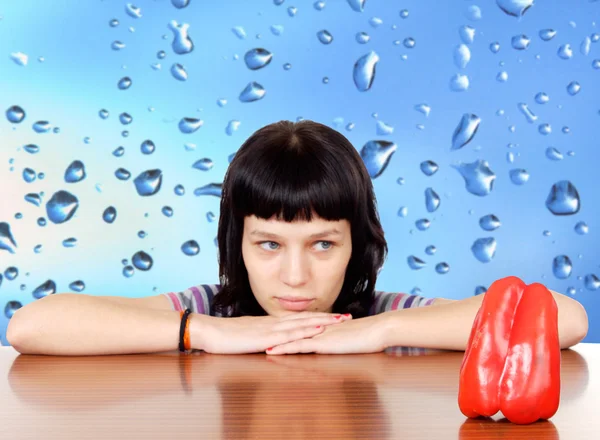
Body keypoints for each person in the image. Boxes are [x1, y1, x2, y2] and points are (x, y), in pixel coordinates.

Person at [6, 120, 589, 356]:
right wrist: (203, 333)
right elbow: (30, 325)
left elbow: (564, 318)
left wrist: (379, 331)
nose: (294, 278)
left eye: (323, 245)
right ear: (236, 241)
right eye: (268, 244)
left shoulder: (383, 317)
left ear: (357, 244)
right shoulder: (211, 309)